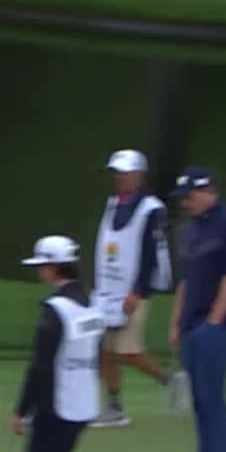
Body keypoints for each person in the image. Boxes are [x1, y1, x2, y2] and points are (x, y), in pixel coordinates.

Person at [12, 235, 116, 452]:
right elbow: (99, 351)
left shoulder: (54, 310)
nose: (40, 272)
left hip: (55, 404)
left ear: (54, 267)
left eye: (42, 266)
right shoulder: (93, 304)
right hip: (83, 402)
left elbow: (40, 365)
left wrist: (21, 409)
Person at [166, 168, 226, 452]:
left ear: (207, 191)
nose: (185, 203)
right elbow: (186, 281)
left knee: (213, 400)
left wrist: (215, 320)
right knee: (199, 401)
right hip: (191, 324)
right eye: (182, 198)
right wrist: (175, 322)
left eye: (189, 196)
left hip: (220, 326)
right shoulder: (192, 230)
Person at [91, 149, 178, 428]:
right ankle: (115, 407)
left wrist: (137, 291)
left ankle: (170, 381)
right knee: (103, 350)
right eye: (117, 173)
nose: (120, 178)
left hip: (132, 293)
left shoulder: (152, 209)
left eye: (126, 173)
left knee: (128, 352)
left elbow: (150, 253)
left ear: (140, 175)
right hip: (106, 291)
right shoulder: (113, 204)